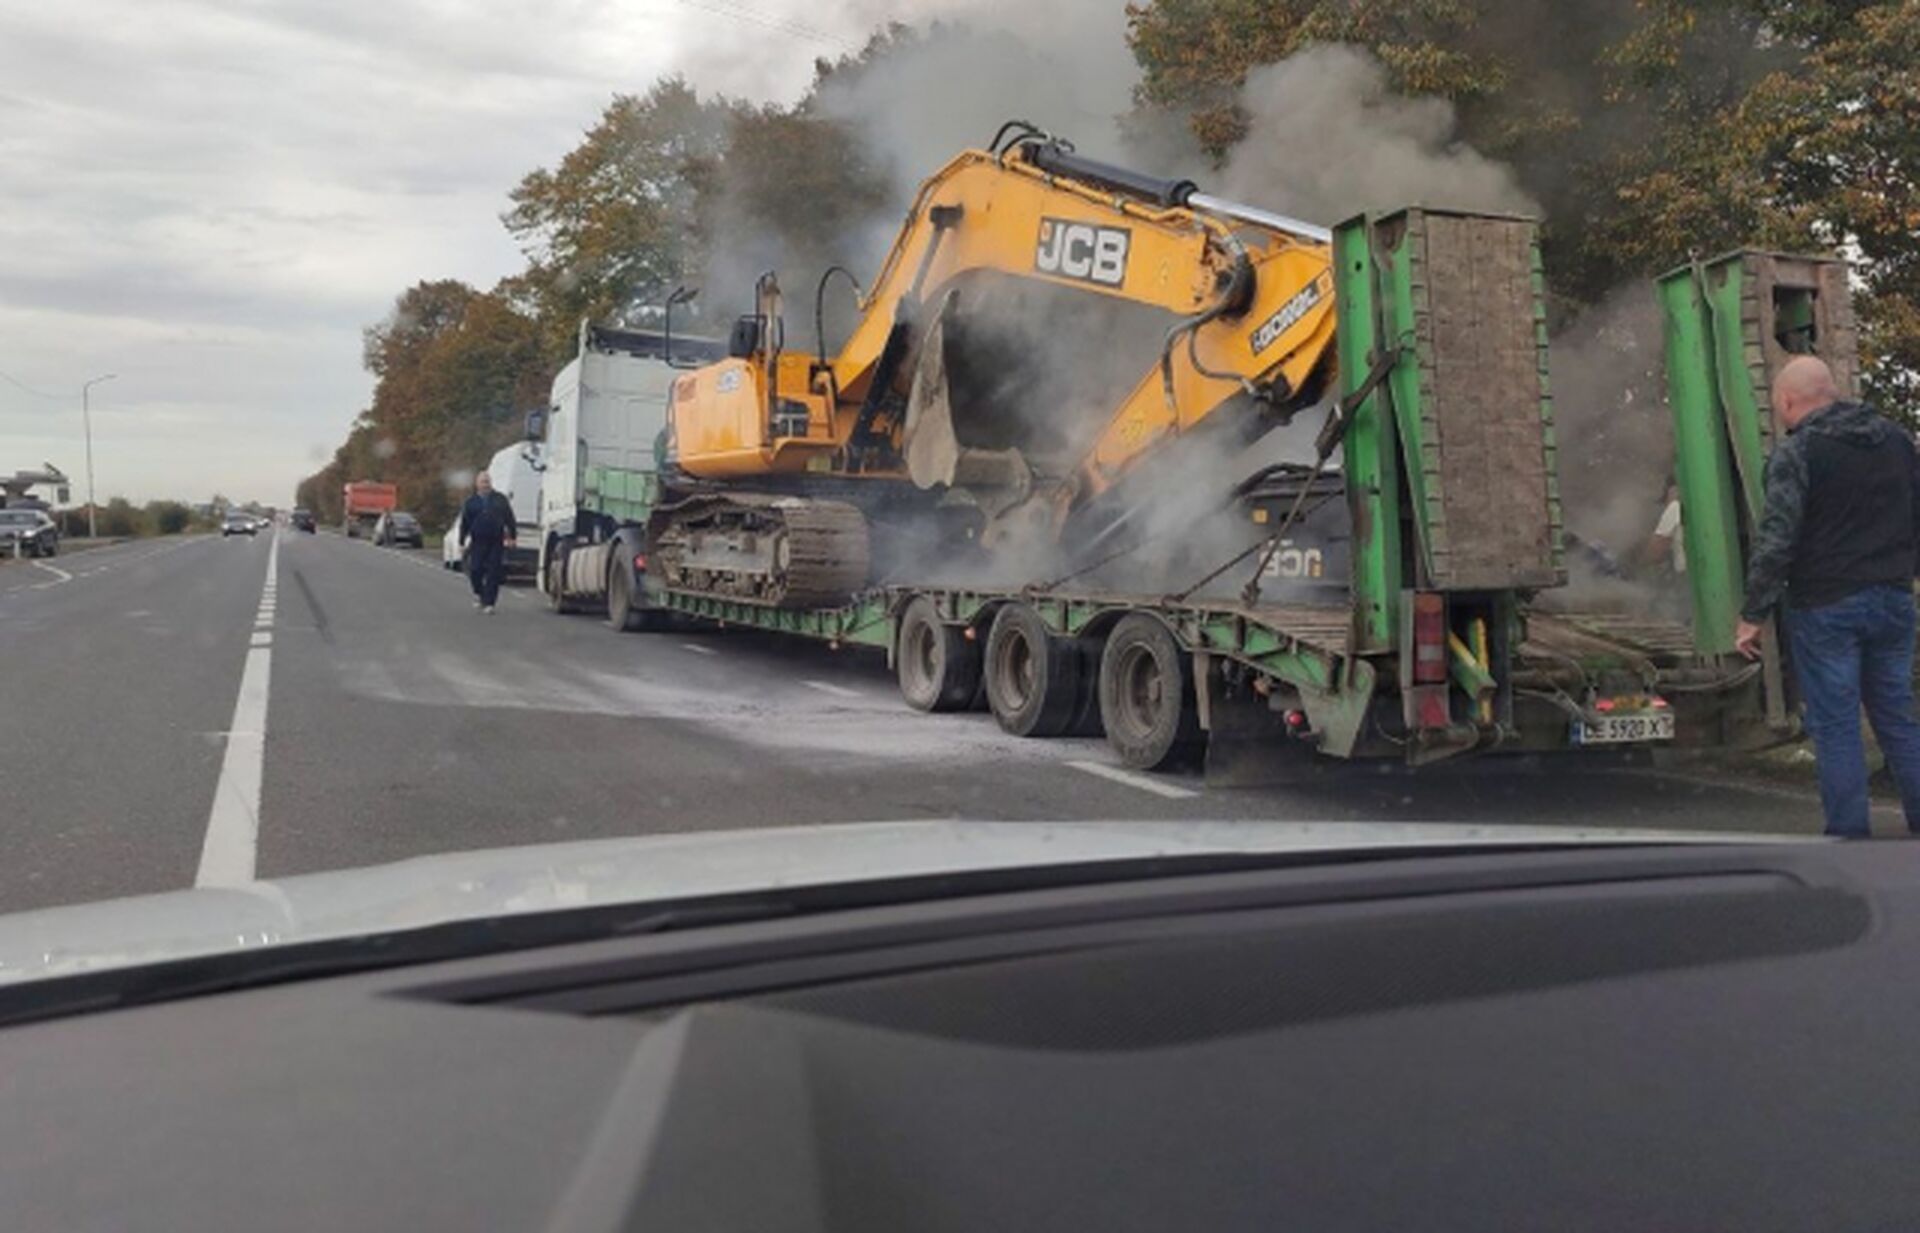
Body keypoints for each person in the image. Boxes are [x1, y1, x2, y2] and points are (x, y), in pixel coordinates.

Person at [1734, 356, 1920, 837]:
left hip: (1827, 606)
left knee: (1836, 726)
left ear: (1788, 401)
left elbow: (1778, 539)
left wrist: (1753, 612)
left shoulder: (1798, 453)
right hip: (1894, 600)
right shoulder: (1899, 442)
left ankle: (1849, 838)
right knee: (1896, 717)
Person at [458, 471, 517, 615]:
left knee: (493, 572)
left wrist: (512, 536)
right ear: (477, 484)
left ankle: (490, 602)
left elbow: (509, 518)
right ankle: (480, 593)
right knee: (475, 570)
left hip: (496, 540)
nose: (485, 484)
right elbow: (464, 523)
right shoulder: (471, 502)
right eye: (483, 482)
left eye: (487, 481)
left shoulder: (500, 499)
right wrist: (461, 541)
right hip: (478, 541)